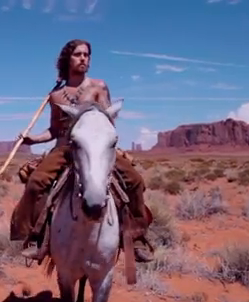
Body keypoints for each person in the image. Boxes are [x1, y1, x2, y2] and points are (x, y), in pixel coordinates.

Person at [9, 39, 154, 262]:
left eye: (87, 54)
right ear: (68, 59)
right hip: (65, 149)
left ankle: (133, 238)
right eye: (78, 54)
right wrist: (33, 139)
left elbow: (108, 120)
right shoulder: (56, 96)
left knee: (134, 180)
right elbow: (55, 130)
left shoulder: (99, 86)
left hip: (96, 147)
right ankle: (37, 237)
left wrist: (106, 144)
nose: (83, 58)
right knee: (36, 182)